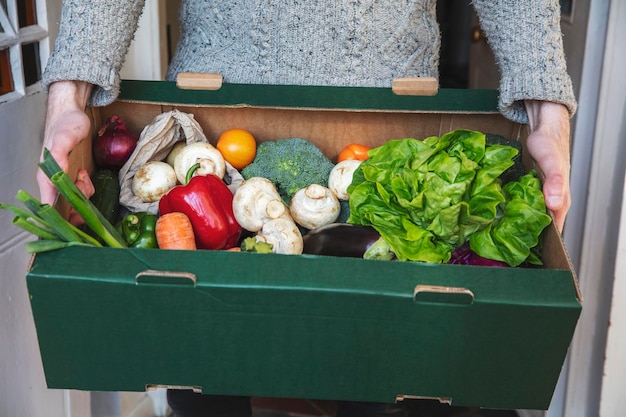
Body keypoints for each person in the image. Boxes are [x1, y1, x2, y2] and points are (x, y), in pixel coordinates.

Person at [37, 1, 577, 416]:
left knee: (381, 382)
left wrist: (548, 112)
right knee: (201, 374)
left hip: (391, 106)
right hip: (211, 99)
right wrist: (69, 95)